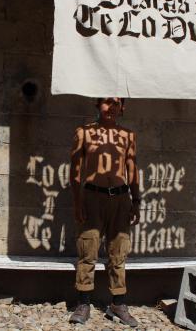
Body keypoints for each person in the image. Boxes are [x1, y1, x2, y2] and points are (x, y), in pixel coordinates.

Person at [69, 97, 140, 327]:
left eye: (116, 103)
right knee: (87, 250)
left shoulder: (128, 135)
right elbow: (75, 171)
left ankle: (118, 303)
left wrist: (136, 199)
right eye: (106, 103)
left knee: (118, 252)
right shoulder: (84, 133)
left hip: (120, 199)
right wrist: (77, 201)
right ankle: (83, 303)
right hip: (92, 197)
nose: (111, 108)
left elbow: (132, 168)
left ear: (123, 108)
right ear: (97, 105)